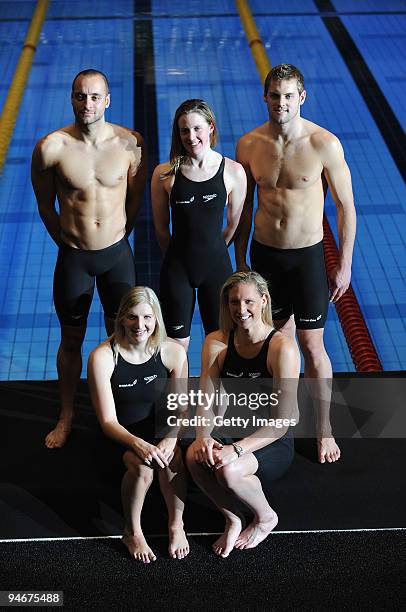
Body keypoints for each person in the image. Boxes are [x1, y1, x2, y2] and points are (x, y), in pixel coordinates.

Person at [235, 64, 357, 464]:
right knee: (275, 343)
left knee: (312, 345)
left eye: (289, 95)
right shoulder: (249, 144)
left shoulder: (324, 144)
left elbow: (345, 207)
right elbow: (243, 205)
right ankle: (279, 421)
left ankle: (324, 430)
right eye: (275, 95)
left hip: (306, 256)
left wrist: (344, 264)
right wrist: (239, 258)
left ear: (301, 97)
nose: (281, 102)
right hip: (265, 254)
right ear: (265, 97)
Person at [31, 69, 147, 449]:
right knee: (71, 340)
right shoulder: (51, 147)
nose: (87, 104)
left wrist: (118, 236)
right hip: (75, 259)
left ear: (107, 100)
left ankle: (119, 412)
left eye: (94, 96)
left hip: (117, 255)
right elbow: (45, 205)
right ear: (71, 98)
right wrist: (64, 241)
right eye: (80, 96)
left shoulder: (130, 143)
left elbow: (134, 199)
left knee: (126, 337)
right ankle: (67, 415)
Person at [186, 271, 300, 558]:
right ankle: (233, 518)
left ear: (263, 301)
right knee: (193, 457)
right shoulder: (217, 342)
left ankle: (265, 518)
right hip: (233, 427)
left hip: (271, 439)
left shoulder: (281, 348)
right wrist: (203, 437)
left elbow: (281, 422)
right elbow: (207, 401)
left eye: (248, 301)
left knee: (228, 470)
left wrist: (235, 450)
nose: (241, 310)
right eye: (234, 302)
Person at [87, 286, 190, 563]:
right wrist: (138, 444)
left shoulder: (172, 352)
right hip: (119, 437)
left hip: (158, 431)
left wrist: (170, 438)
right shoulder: (103, 357)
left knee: (174, 458)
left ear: (156, 318)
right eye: (132, 317)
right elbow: (108, 421)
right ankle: (132, 531)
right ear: (121, 318)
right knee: (143, 467)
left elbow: (181, 407)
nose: (140, 325)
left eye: (147, 317)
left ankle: (176, 524)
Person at [151, 99, 246, 351]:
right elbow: (161, 230)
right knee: (175, 345)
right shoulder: (164, 174)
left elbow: (233, 224)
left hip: (216, 266)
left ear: (211, 127)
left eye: (197, 129)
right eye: (184, 130)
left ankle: (213, 393)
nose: (191, 137)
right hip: (177, 269)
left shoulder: (233, 172)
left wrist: (213, 248)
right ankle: (177, 392)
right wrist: (177, 256)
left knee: (220, 344)